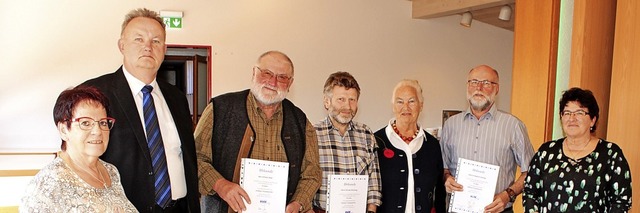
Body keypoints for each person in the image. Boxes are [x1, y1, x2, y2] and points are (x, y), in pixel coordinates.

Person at [81, 8, 200, 212]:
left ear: (164, 49)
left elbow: (187, 158)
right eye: (138, 39)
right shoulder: (94, 94)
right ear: (122, 46)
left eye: (156, 41)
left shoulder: (177, 98)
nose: (148, 47)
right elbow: (79, 158)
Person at [194, 50, 322, 213]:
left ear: (290, 83)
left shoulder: (300, 121)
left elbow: (312, 173)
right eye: (267, 73)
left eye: (282, 77)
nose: (273, 82)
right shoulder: (220, 109)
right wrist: (221, 185)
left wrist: (298, 203)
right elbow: (195, 158)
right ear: (254, 73)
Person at [20, 86, 137, 212]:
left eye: (103, 122)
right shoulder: (47, 184)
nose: (97, 131)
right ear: (63, 130)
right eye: (85, 123)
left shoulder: (111, 172)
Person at [440, 65, 535, 213]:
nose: (479, 88)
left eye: (486, 83)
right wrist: (447, 178)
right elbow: (443, 168)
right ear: (467, 86)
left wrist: (507, 195)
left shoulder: (513, 126)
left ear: (497, 89)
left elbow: (531, 172)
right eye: (474, 82)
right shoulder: (451, 125)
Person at [523, 87, 632, 212]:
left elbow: (621, 201)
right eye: (567, 113)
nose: (572, 118)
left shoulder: (611, 154)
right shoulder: (546, 152)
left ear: (593, 120)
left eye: (579, 113)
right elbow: (530, 192)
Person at [311, 72, 381, 213]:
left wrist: (372, 210)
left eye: (352, 100)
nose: (347, 106)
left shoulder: (366, 134)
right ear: (327, 102)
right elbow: (305, 179)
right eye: (341, 99)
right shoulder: (312, 134)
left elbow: (374, 179)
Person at [374, 79, 446, 213]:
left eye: (412, 101)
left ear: (421, 105)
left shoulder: (432, 145)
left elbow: (440, 193)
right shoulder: (376, 141)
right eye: (400, 101)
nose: (405, 107)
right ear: (393, 106)